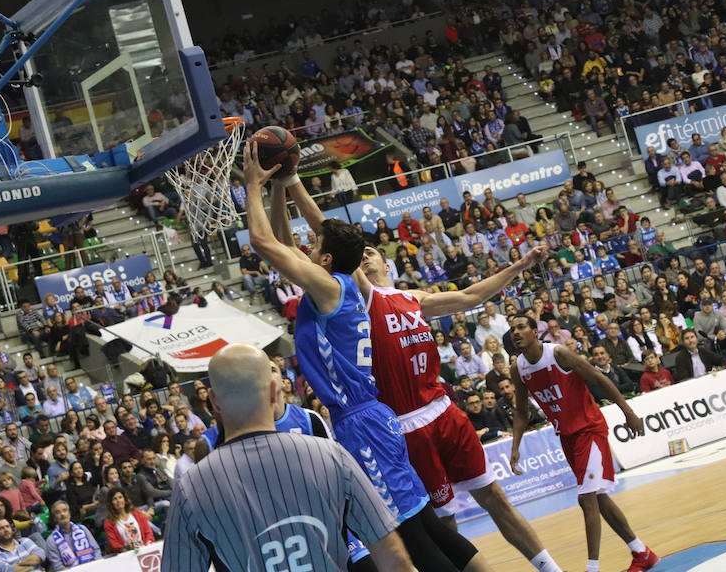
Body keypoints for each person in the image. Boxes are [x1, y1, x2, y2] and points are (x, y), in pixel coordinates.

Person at [242, 141, 486, 572]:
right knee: (427, 526)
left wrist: (254, 185)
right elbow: (284, 241)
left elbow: (264, 241)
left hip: (361, 421)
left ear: (327, 258)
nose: (306, 246)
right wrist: (283, 185)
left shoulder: (330, 287)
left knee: (410, 539)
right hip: (371, 417)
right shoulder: (344, 284)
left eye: (313, 243)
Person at [357, 240, 562, 571]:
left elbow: (472, 296)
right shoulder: (362, 298)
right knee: (443, 523)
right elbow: (338, 242)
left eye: (371, 252)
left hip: (443, 411)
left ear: (387, 264)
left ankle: (551, 568)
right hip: (407, 424)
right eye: (359, 253)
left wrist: (521, 264)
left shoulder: (414, 299)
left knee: (495, 497)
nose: (364, 256)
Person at [161, 344, 415, 571]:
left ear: (214, 401)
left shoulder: (191, 486)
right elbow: (394, 559)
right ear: (274, 390)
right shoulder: (331, 456)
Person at [508, 315, 659, 572]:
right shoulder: (518, 368)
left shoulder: (558, 353)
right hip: (567, 436)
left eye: (521, 327)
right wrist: (515, 447)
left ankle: (592, 569)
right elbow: (521, 412)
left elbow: (599, 379)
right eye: (512, 329)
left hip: (589, 429)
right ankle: (641, 552)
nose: (516, 332)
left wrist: (628, 412)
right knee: (598, 499)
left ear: (535, 331)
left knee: (586, 498)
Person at [45, 501, 101, 571]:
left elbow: (96, 549)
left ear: (69, 513)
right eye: (58, 512)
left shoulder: (82, 529)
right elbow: (58, 566)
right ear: (54, 518)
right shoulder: (51, 540)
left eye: (65, 510)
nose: (62, 514)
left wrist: (96, 566)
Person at [103, 489, 153, 553]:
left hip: (145, 549)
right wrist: (128, 548)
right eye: (114, 499)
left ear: (125, 499)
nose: (118, 501)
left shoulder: (137, 513)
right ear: (111, 503)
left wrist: (147, 545)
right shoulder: (108, 522)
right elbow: (114, 544)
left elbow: (148, 532)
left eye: (120, 497)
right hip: (126, 555)